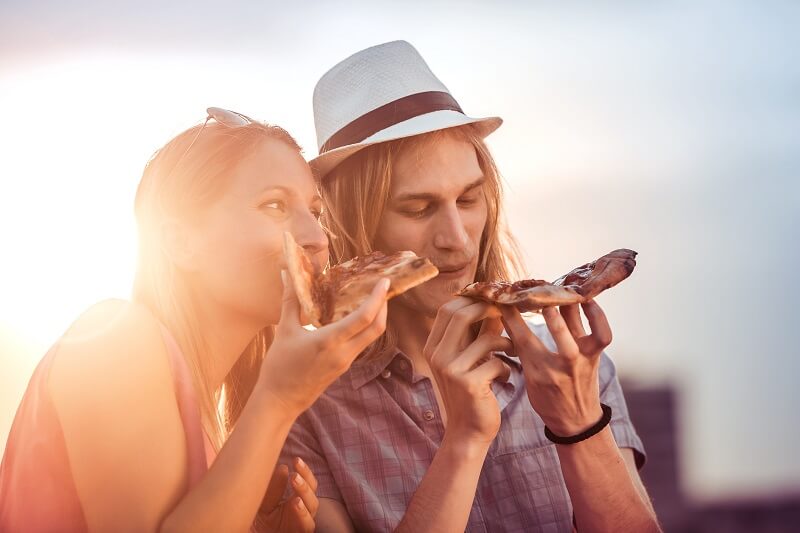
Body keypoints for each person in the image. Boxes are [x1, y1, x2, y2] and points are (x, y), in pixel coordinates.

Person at [279, 41, 662, 532]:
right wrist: (462, 443)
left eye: (469, 199)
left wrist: (580, 424)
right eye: (417, 209)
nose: (457, 241)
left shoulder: (573, 367)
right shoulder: (307, 409)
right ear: (356, 227)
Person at [0, 108, 389, 532]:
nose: (317, 238)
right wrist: (278, 401)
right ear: (180, 243)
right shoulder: (113, 341)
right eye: (275, 205)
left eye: (315, 211)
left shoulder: (211, 417)